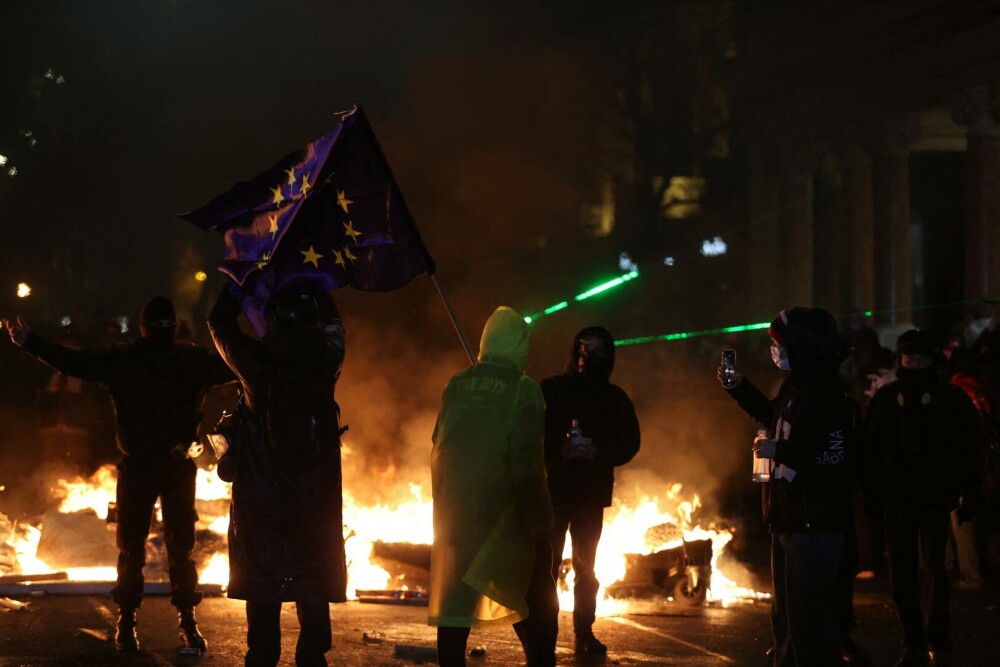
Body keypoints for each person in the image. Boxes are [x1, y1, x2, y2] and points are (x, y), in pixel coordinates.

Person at [4, 297, 235, 654]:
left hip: (150, 466)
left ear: (143, 327)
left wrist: (30, 342)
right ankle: (173, 622)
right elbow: (240, 364)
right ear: (173, 328)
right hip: (165, 466)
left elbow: (75, 363)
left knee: (139, 549)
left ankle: (135, 622)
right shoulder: (189, 361)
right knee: (171, 549)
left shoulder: (131, 359)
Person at [207, 286, 347, 667]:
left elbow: (218, 324)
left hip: (262, 498)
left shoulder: (255, 360)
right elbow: (336, 324)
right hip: (315, 497)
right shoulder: (328, 355)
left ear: (271, 321)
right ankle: (313, 658)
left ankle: (262, 657)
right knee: (313, 580)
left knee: (262, 583)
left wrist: (235, 285)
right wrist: (319, 282)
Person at [718, 307, 858, 667]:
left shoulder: (829, 398)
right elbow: (774, 417)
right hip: (788, 517)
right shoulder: (796, 388)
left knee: (809, 618)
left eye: (779, 345)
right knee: (786, 616)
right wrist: (739, 389)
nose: (774, 351)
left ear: (801, 348)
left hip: (814, 523)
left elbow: (835, 459)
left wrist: (783, 451)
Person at [429, 306, 559, 667]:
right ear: (521, 346)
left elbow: (438, 442)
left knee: (455, 614)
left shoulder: (456, 385)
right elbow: (527, 467)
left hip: (455, 521)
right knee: (535, 602)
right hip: (503, 522)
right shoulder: (525, 391)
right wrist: (541, 525)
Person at [865, 330, 983, 667]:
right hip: (897, 498)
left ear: (932, 360)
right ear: (900, 359)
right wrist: (873, 495)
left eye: (920, 358)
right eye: (908, 358)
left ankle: (937, 639)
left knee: (935, 568)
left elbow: (969, 448)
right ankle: (913, 640)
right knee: (902, 572)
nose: (913, 364)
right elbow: (872, 451)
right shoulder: (887, 399)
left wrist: (969, 492)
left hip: (934, 496)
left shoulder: (949, 399)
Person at [541, 326, 640, 655]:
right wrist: (558, 450)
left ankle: (583, 632)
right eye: (582, 350)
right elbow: (529, 433)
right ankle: (543, 634)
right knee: (546, 568)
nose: (586, 359)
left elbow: (630, 443)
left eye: (595, 353)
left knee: (586, 570)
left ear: (607, 358)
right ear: (573, 352)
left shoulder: (614, 399)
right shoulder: (551, 391)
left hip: (589, 499)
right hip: (553, 493)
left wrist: (599, 452)